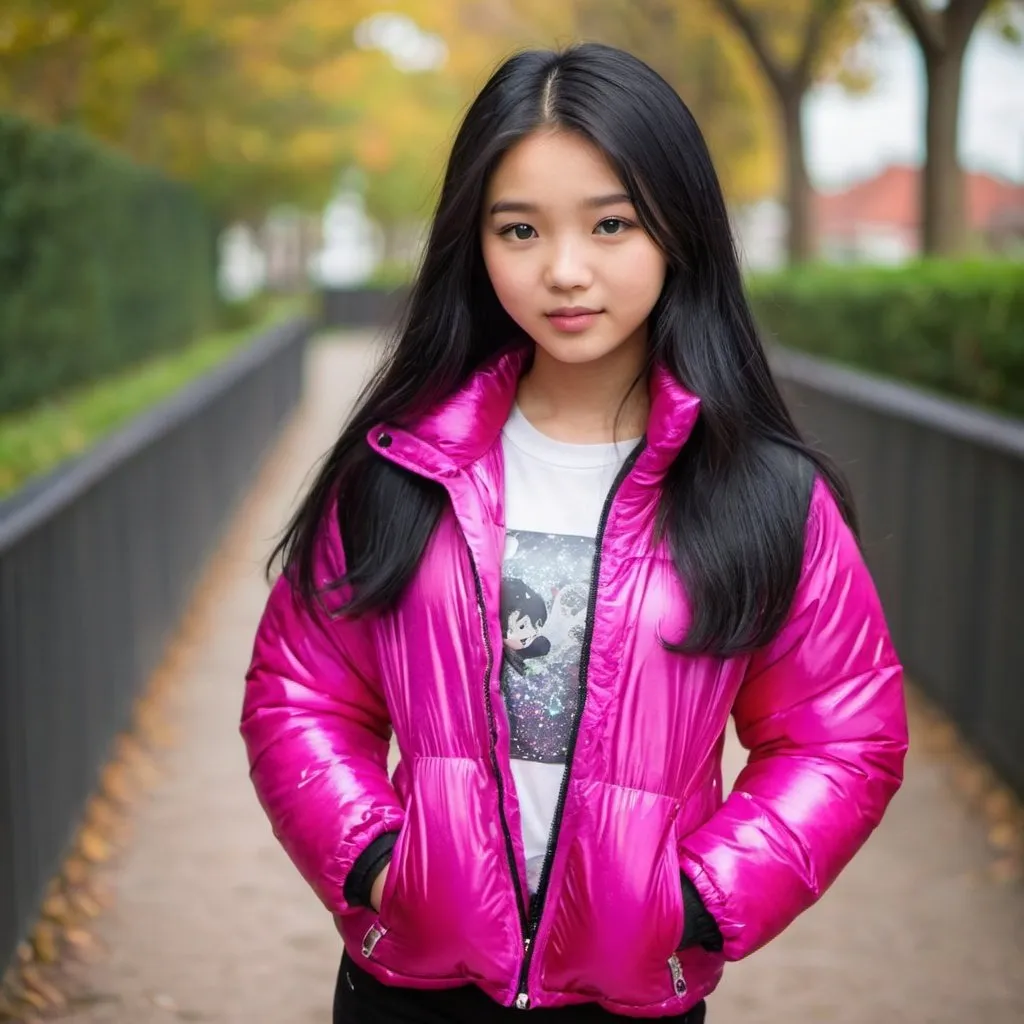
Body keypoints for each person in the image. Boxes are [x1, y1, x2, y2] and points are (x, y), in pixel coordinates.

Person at [240, 42, 908, 1023]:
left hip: (630, 994)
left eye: (610, 224)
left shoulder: (761, 490)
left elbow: (842, 734)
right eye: (519, 228)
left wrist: (701, 901)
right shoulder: (399, 467)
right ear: (473, 239)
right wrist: (380, 860)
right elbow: (298, 695)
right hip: (409, 986)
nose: (564, 270)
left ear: (677, 230)